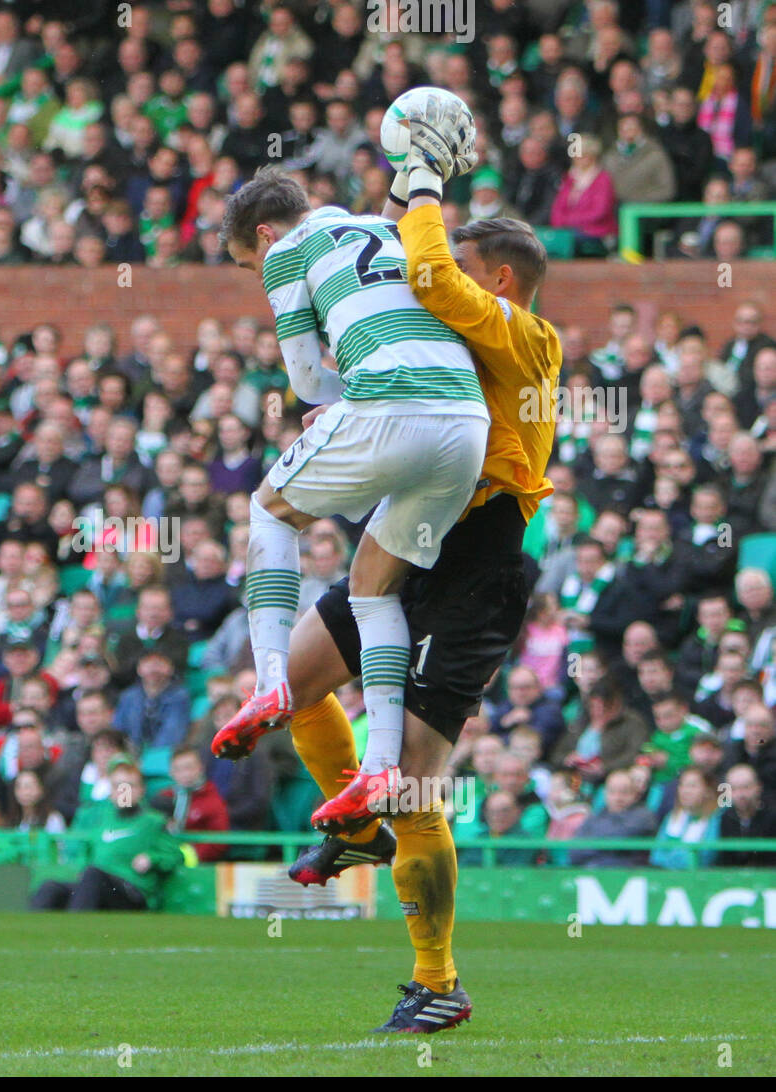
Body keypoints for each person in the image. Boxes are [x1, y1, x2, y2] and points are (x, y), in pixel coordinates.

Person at [281, 145, 562, 1032]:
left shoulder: (527, 336)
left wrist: (422, 184)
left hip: (478, 563)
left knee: (413, 786)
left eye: (468, 269)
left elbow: (434, 278)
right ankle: (358, 830)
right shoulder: (435, 349)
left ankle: (438, 983)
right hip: (407, 541)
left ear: (504, 281)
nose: (422, 289)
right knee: (290, 685)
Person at [213, 151, 490, 813]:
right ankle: (379, 768)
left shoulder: (288, 252)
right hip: (466, 422)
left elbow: (307, 382)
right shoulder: (379, 227)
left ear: (263, 236)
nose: (259, 274)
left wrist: (338, 397)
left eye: (249, 265)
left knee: (270, 512)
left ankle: (272, 679)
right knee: (370, 585)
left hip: (392, 404)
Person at [30, 761, 182, 911]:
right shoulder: (103, 818)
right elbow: (87, 851)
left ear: (141, 789)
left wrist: (152, 858)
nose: (123, 792)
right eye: (117, 786)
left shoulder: (153, 822)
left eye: (129, 786)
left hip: (131, 890)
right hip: (94, 886)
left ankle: (75, 928)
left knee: (93, 875)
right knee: (50, 888)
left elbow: (175, 855)